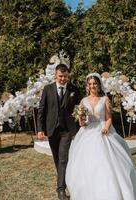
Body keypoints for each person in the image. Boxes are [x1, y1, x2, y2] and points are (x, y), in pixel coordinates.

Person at [66, 73, 136, 200]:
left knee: (108, 163)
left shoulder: (105, 99)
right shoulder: (83, 101)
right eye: (90, 84)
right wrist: (81, 121)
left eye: (95, 83)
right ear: (87, 86)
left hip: (103, 131)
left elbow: (109, 118)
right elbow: (82, 123)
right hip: (87, 133)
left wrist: (105, 128)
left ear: (99, 85)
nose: (92, 86)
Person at [37, 64, 81, 200]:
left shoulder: (74, 90)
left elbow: (80, 109)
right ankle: (64, 179)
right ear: (55, 75)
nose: (63, 79)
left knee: (63, 159)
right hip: (51, 129)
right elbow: (42, 110)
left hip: (67, 130)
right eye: (60, 76)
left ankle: (60, 190)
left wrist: (79, 127)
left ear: (68, 75)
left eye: (65, 76)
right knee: (57, 159)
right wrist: (40, 129)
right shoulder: (47, 89)